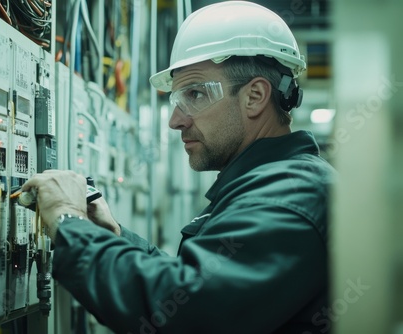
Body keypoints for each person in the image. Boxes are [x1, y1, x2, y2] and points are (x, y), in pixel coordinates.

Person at [22, 1, 336, 333]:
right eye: (177, 100)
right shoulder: (270, 183)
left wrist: (69, 222)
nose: (175, 121)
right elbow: (193, 284)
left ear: (255, 96)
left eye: (196, 94)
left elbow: (188, 312)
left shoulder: (287, 194)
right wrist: (114, 235)